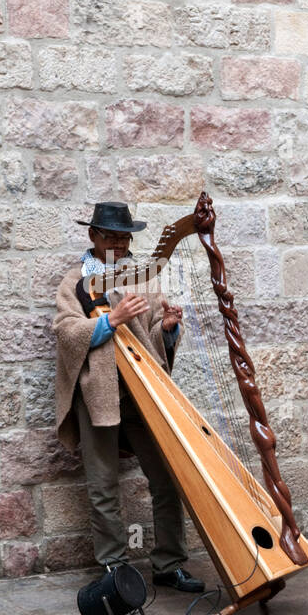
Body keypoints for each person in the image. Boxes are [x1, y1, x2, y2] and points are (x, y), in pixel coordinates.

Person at [52, 202, 205, 592]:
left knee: (167, 478)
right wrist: (109, 321)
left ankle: (169, 564)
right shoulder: (75, 282)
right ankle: (114, 568)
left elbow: (152, 334)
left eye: (125, 237)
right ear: (93, 236)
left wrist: (167, 328)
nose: (119, 244)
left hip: (144, 393)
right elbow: (67, 333)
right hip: (99, 392)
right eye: (111, 236)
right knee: (103, 485)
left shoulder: (143, 278)